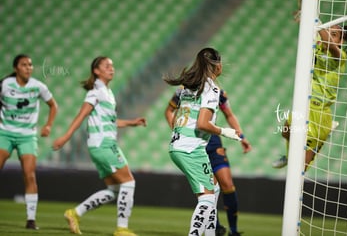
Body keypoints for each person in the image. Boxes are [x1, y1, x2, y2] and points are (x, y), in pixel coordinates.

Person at [273, 0, 347, 171]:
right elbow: (307, 27)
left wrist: (316, 21)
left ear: (341, 41)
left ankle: (314, 144)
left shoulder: (340, 56)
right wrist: (302, 2)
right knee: (286, 132)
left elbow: (327, 41)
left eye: (334, 33)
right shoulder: (319, 48)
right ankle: (290, 156)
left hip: (320, 111)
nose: (329, 34)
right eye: (329, 31)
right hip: (304, 104)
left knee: (299, 170)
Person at [53, 56, 146, 236]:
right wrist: (65, 137)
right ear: (96, 71)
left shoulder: (107, 93)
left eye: (112, 66)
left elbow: (109, 121)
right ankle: (121, 229)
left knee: (113, 189)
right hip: (103, 145)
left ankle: (75, 213)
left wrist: (131, 123)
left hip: (104, 144)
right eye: (107, 66)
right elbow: (81, 116)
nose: (112, 68)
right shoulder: (96, 91)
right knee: (129, 182)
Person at [163, 47, 242, 236]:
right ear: (217, 65)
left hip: (180, 145)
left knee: (213, 188)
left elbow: (176, 113)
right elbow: (202, 124)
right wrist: (224, 131)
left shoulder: (188, 86)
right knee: (206, 198)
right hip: (191, 149)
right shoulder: (211, 88)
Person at [165, 88, 252, 236]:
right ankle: (215, 227)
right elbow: (169, 111)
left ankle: (233, 230)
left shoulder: (218, 92)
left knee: (226, 184)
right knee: (209, 190)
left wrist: (242, 137)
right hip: (194, 142)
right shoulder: (183, 91)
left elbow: (229, 115)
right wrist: (177, 130)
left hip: (212, 142)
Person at [0, 54, 58, 230]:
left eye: (30, 65)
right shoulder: (4, 85)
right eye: (24, 65)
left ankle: (31, 220)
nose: (28, 68)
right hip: (5, 133)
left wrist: (48, 125)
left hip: (27, 135)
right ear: (16, 68)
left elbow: (53, 105)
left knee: (29, 174)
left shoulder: (38, 87)